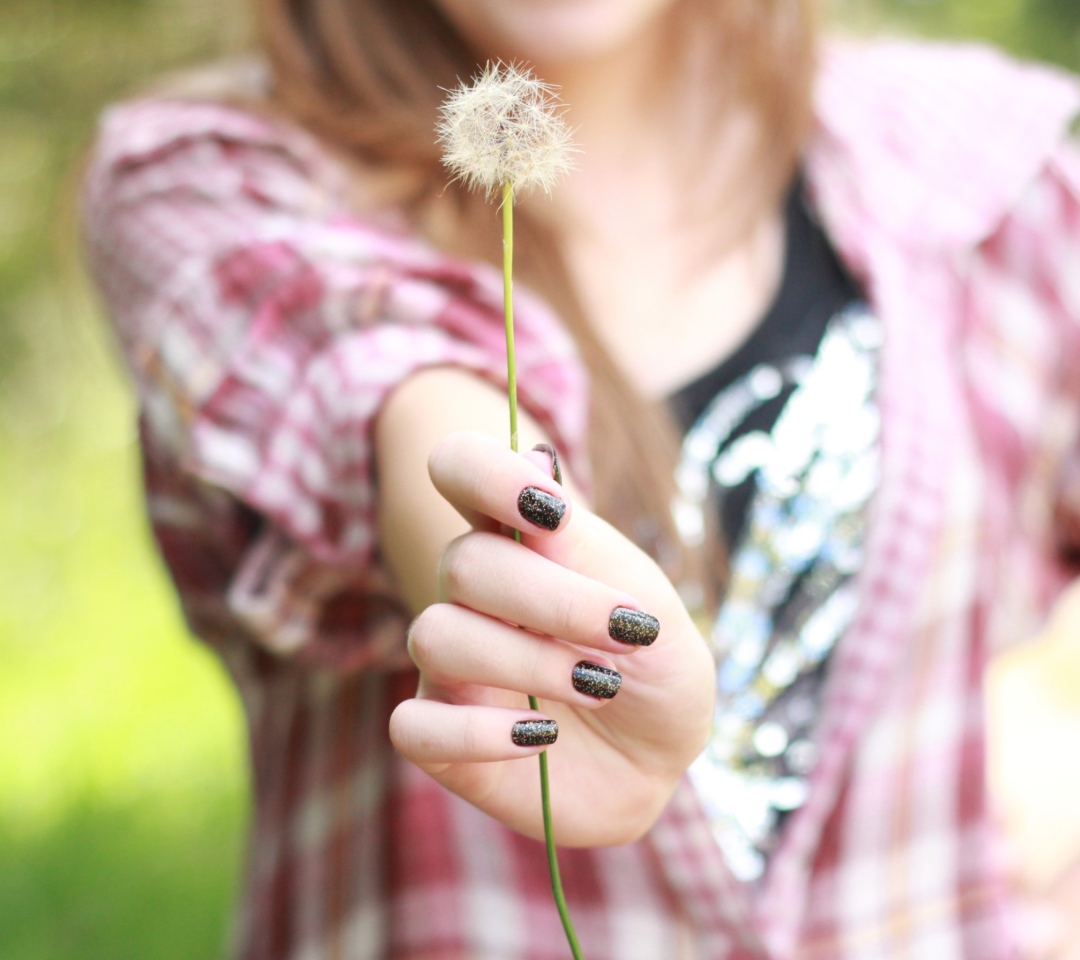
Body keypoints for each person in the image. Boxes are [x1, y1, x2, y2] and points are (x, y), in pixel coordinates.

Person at [81, 0, 1080, 957]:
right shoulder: (211, 177)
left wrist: (1052, 716)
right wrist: (523, 595)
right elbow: (382, 384)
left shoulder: (981, 171)